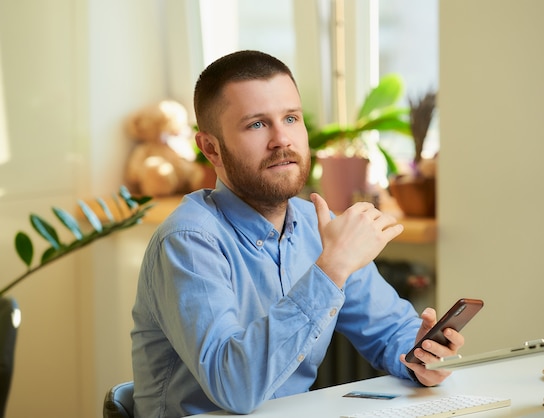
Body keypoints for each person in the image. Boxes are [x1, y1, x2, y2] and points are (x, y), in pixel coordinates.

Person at [131, 50, 464, 417]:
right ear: (211, 148)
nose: (281, 140)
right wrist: (330, 269)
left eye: (290, 118)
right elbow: (235, 388)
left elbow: (390, 331)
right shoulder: (188, 241)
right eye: (256, 124)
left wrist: (418, 354)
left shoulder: (313, 225)